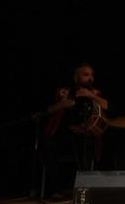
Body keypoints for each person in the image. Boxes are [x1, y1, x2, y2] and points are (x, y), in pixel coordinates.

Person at [41, 64, 109, 195]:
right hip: (64, 133)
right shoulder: (63, 92)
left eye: (92, 75)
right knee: (50, 144)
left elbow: (106, 106)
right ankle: (55, 190)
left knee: (87, 144)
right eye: (86, 75)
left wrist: (91, 96)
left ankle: (83, 189)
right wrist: (62, 104)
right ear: (76, 78)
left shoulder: (96, 93)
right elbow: (48, 111)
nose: (90, 78)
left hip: (85, 134)